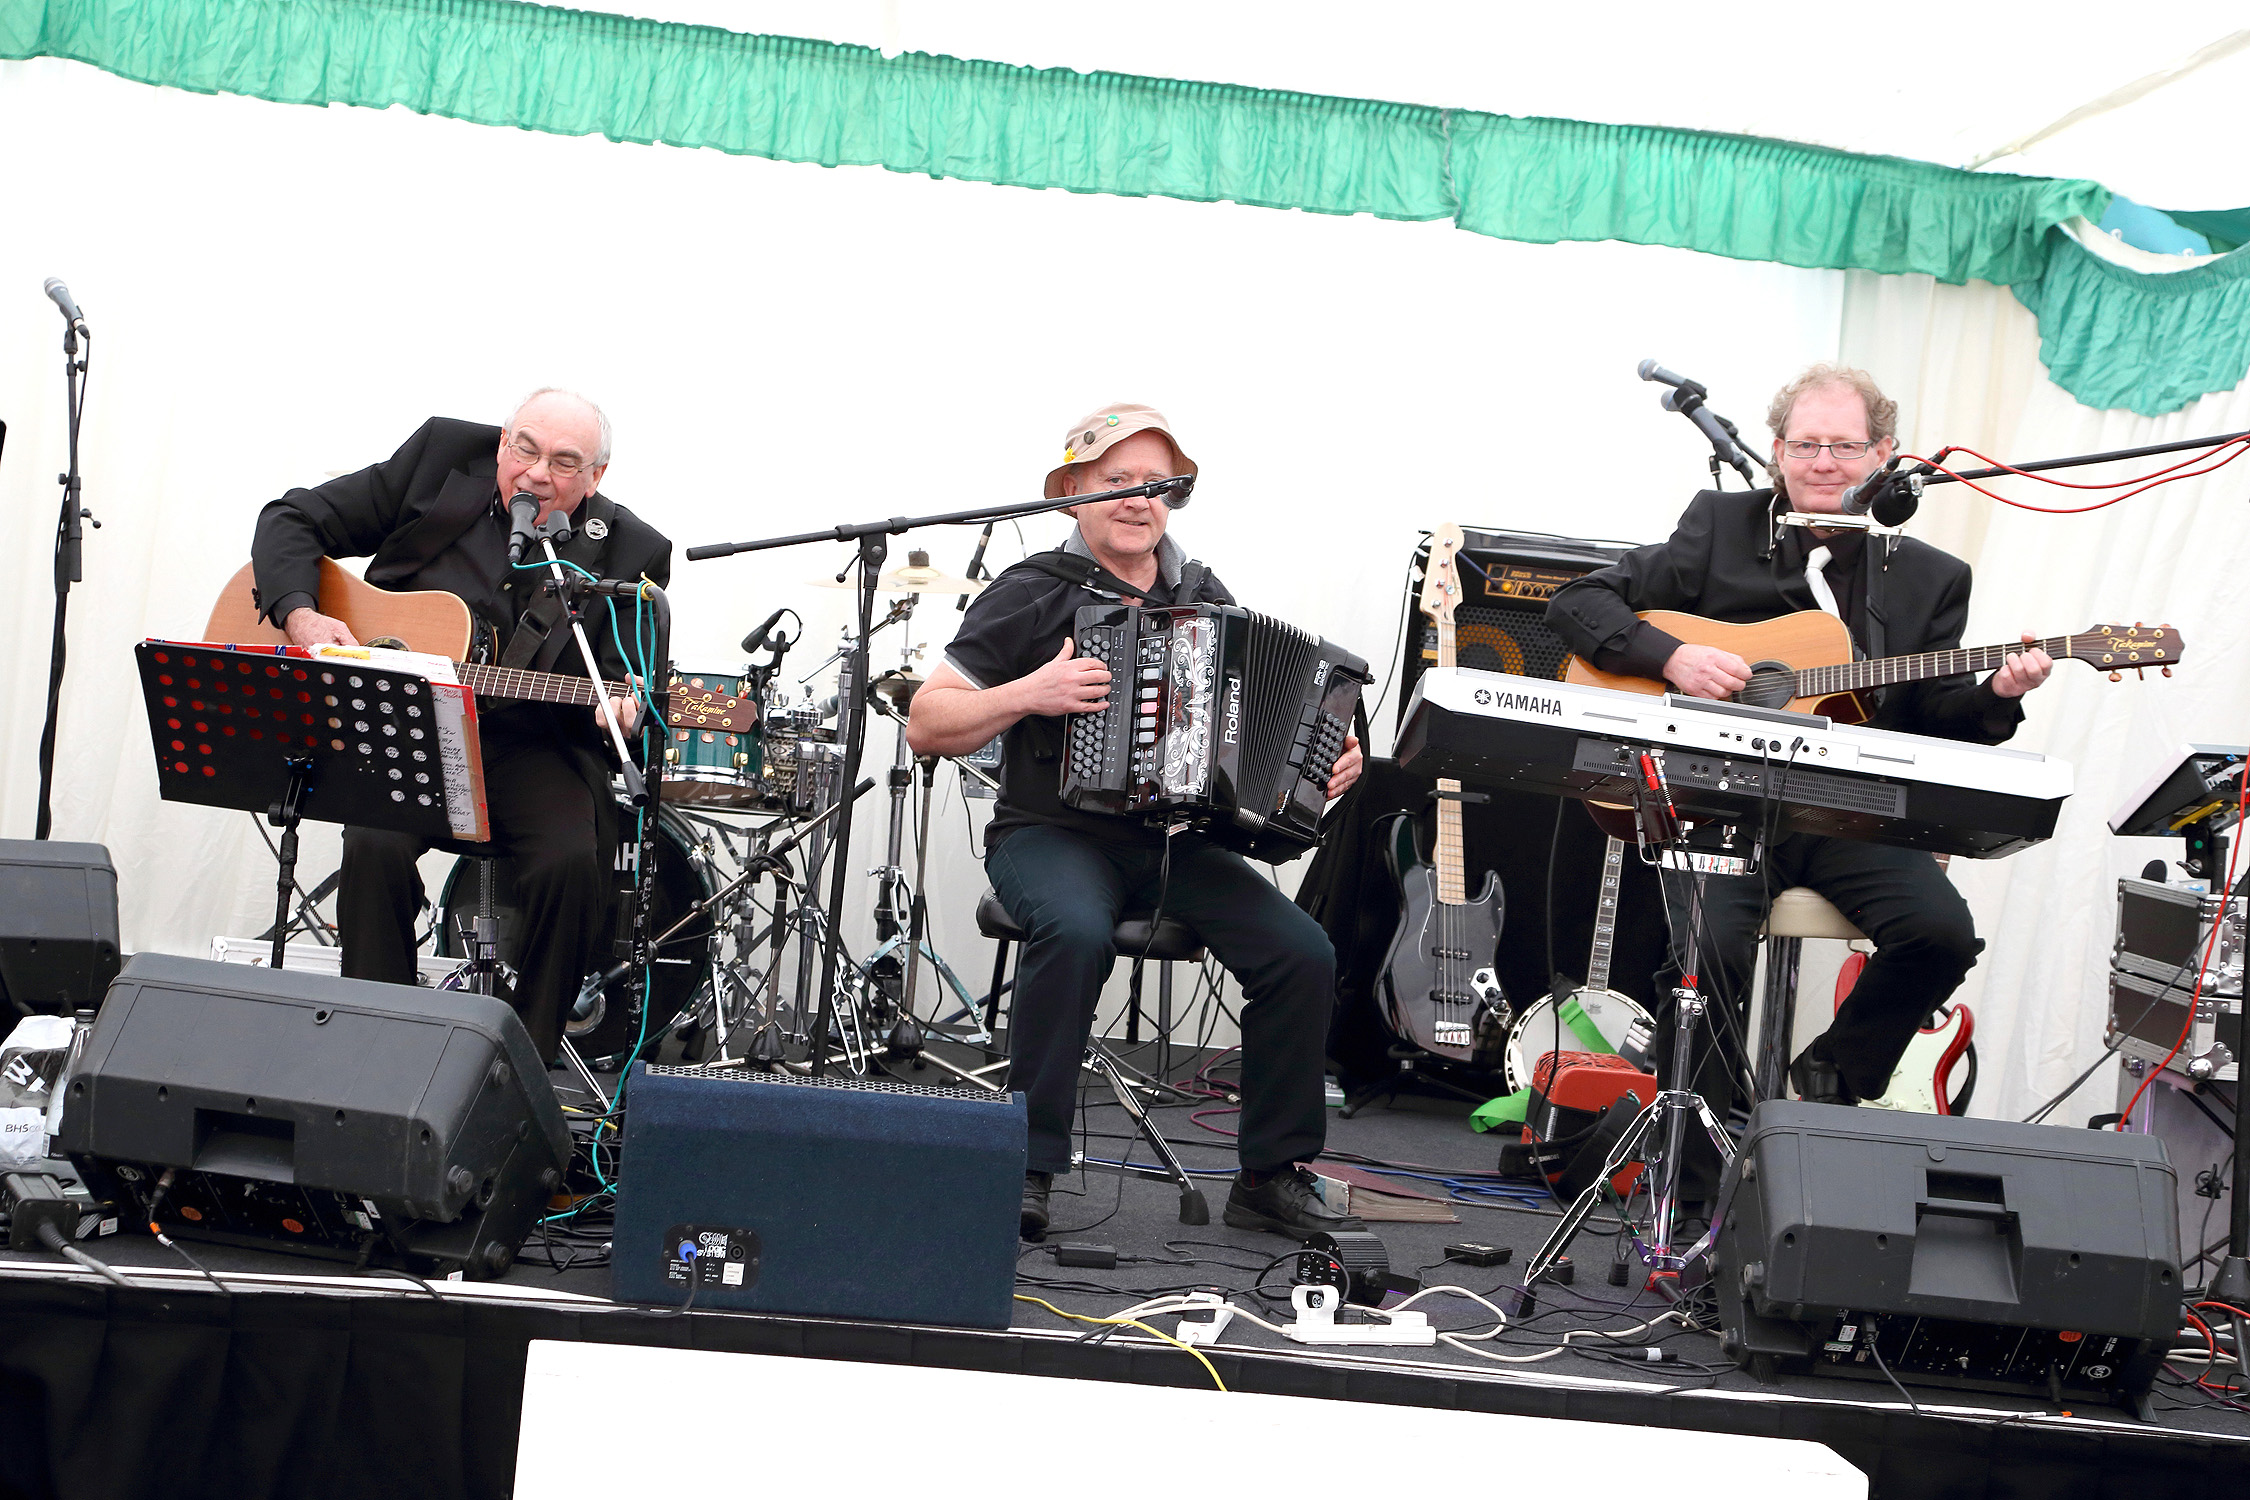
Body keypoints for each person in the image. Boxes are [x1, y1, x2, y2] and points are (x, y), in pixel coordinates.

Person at [908, 403, 1367, 1240]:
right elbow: (927, 722)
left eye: (1154, 484)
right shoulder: (1031, 591)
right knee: (1075, 930)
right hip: (1049, 834)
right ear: (1072, 493)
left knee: (1302, 951)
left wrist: (1326, 763)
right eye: (1115, 480)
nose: (1136, 498)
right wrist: (1031, 693)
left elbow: (1264, 727)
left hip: (1171, 846)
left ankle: (1269, 1175)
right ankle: (1025, 1164)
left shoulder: (1204, 597)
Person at [1546, 365, 2053, 1112]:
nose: (1824, 463)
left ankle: (1828, 1085)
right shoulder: (1720, 527)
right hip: (1718, 803)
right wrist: (1673, 657)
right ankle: (1699, 1139)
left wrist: (1997, 695)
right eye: (1806, 445)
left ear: (1884, 454)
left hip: (1848, 810)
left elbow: (1931, 715)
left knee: (1941, 934)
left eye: (1845, 446)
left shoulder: (1930, 577)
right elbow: (1577, 601)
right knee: (1707, 953)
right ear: (1779, 451)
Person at [251, 389, 672, 1061]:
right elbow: (292, 518)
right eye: (525, 449)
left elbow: (629, 677)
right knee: (374, 845)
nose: (537, 474)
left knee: (571, 864)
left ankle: (520, 1063)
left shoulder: (632, 551)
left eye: (565, 463)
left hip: (536, 745)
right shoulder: (439, 461)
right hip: (408, 726)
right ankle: (378, 1043)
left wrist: (618, 710)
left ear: (596, 476)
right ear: (503, 441)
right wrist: (301, 615)